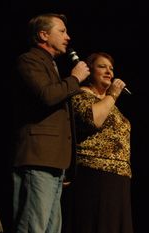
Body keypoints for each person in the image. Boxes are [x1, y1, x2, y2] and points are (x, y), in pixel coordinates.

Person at [11, 13, 90, 233]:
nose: (68, 37)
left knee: (51, 228)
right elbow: (46, 96)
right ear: (43, 35)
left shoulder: (52, 65)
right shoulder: (29, 60)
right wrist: (75, 78)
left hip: (54, 161)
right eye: (62, 31)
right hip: (38, 158)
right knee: (32, 226)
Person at [69, 52, 134, 233]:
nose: (109, 72)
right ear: (89, 72)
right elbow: (92, 119)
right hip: (94, 175)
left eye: (111, 68)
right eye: (102, 66)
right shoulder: (80, 95)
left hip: (119, 177)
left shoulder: (109, 103)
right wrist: (112, 94)